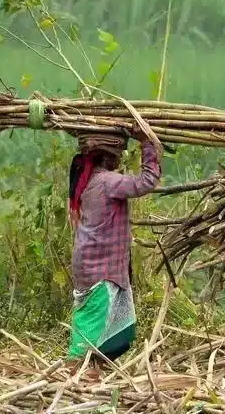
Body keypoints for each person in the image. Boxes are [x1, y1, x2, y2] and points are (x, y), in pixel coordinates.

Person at [66, 128, 162, 372]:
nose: (120, 159)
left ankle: (92, 370)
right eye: (117, 154)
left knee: (103, 322)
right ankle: (76, 370)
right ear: (108, 156)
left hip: (92, 262)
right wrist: (147, 144)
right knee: (92, 324)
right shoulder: (107, 182)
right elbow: (147, 181)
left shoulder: (89, 179)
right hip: (100, 266)